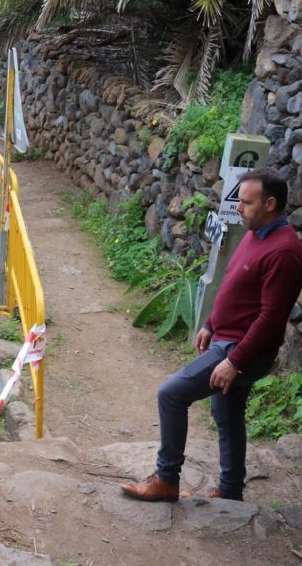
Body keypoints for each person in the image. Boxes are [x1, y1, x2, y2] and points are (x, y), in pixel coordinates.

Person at [121, 167, 302, 502]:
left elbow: (271, 319)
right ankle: (231, 491)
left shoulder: (284, 252)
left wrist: (234, 361)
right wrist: (210, 324)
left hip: (242, 349)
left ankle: (166, 478)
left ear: (271, 204)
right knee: (227, 412)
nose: (239, 208)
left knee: (171, 394)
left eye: (247, 203)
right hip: (226, 339)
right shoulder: (256, 232)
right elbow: (234, 284)